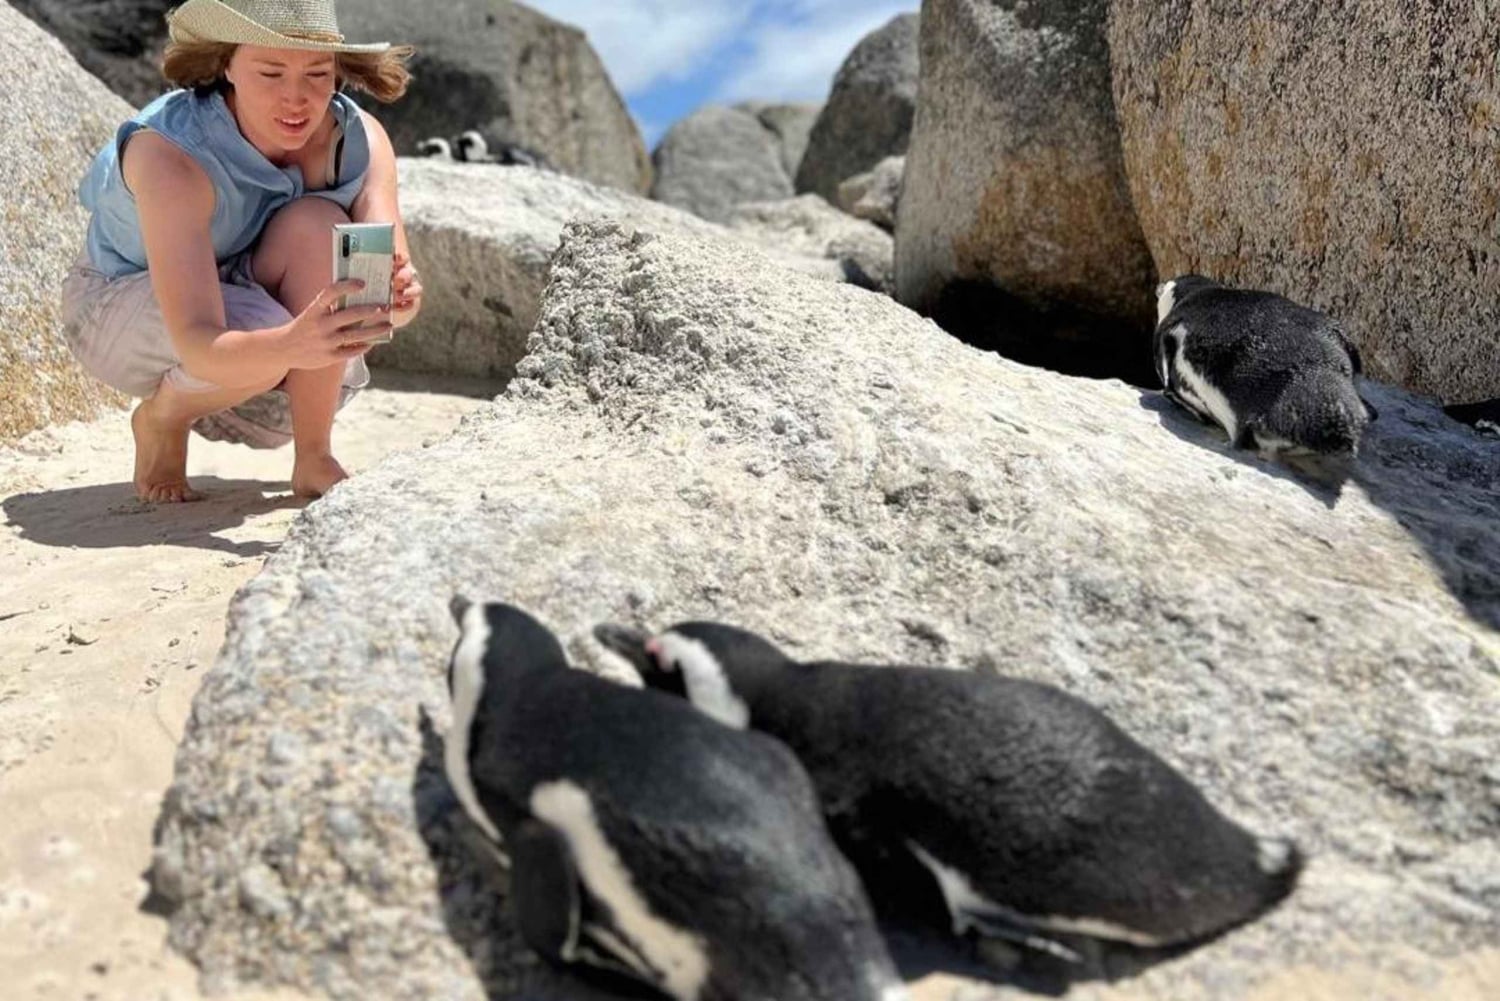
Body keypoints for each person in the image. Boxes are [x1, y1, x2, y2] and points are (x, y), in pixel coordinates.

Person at [60, 0, 423, 503]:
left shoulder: (360, 143)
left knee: (320, 226)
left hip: (246, 308)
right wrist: (288, 345)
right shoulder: (171, 155)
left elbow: (377, 301)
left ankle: (313, 457)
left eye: (317, 73)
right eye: (271, 72)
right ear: (227, 63)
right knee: (259, 336)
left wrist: (397, 302)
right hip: (119, 308)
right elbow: (198, 342)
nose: (296, 99)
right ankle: (164, 417)